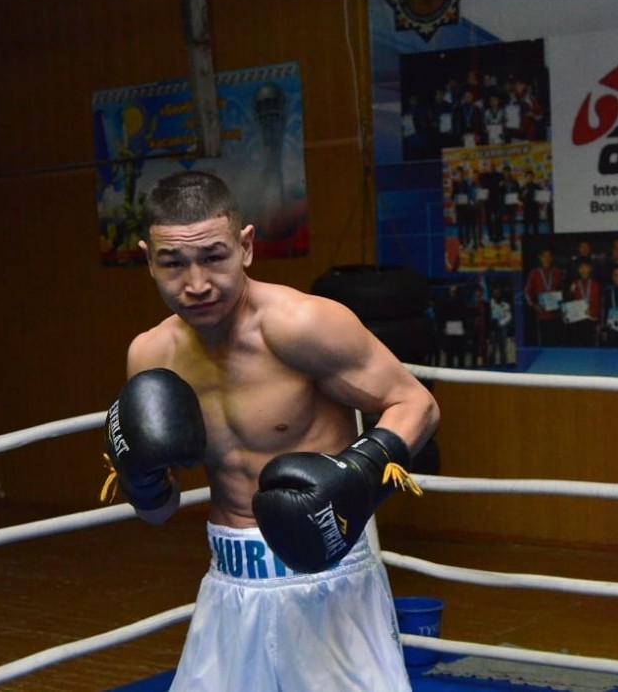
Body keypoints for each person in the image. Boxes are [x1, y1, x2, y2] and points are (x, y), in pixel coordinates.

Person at [103, 170, 440, 691]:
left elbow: (416, 403)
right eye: (173, 263)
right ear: (148, 260)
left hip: (329, 584)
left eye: (214, 257)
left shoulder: (301, 325)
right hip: (230, 582)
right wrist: (142, 483)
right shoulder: (151, 356)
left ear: (246, 247)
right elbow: (158, 512)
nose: (196, 283)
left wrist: (358, 472)